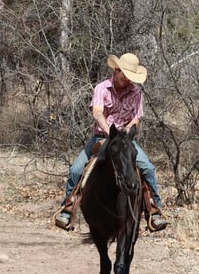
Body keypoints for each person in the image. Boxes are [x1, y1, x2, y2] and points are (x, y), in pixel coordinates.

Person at [54, 52, 168, 232]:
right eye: (125, 75)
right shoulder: (102, 88)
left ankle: (154, 210)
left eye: (130, 77)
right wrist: (109, 132)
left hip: (125, 139)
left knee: (147, 167)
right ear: (116, 70)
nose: (127, 80)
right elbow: (97, 112)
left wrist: (127, 131)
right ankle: (67, 208)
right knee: (76, 169)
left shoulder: (136, 92)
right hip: (102, 136)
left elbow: (136, 118)